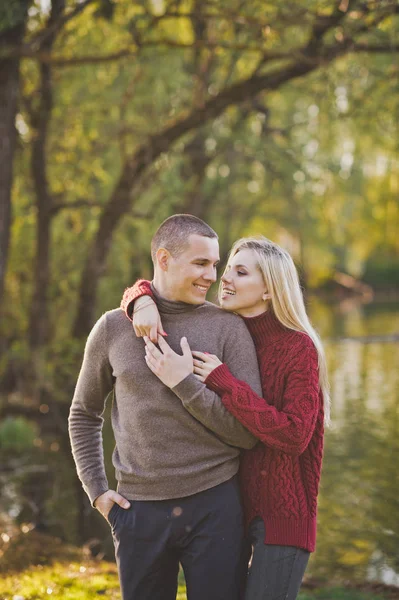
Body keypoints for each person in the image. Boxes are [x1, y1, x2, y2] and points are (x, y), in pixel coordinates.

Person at [121, 236, 329, 600]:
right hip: (231, 510)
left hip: (280, 517)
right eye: (227, 269)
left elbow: (294, 436)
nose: (225, 279)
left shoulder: (299, 348)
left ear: (269, 290)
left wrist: (225, 382)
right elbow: (165, 286)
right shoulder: (227, 328)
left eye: (241, 272)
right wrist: (140, 298)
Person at [68, 215, 263, 600]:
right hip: (137, 510)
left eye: (215, 263)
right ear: (164, 258)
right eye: (201, 263)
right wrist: (98, 492)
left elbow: (248, 433)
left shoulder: (229, 328)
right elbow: (83, 414)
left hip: (216, 505)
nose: (213, 276)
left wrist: (185, 385)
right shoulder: (113, 328)